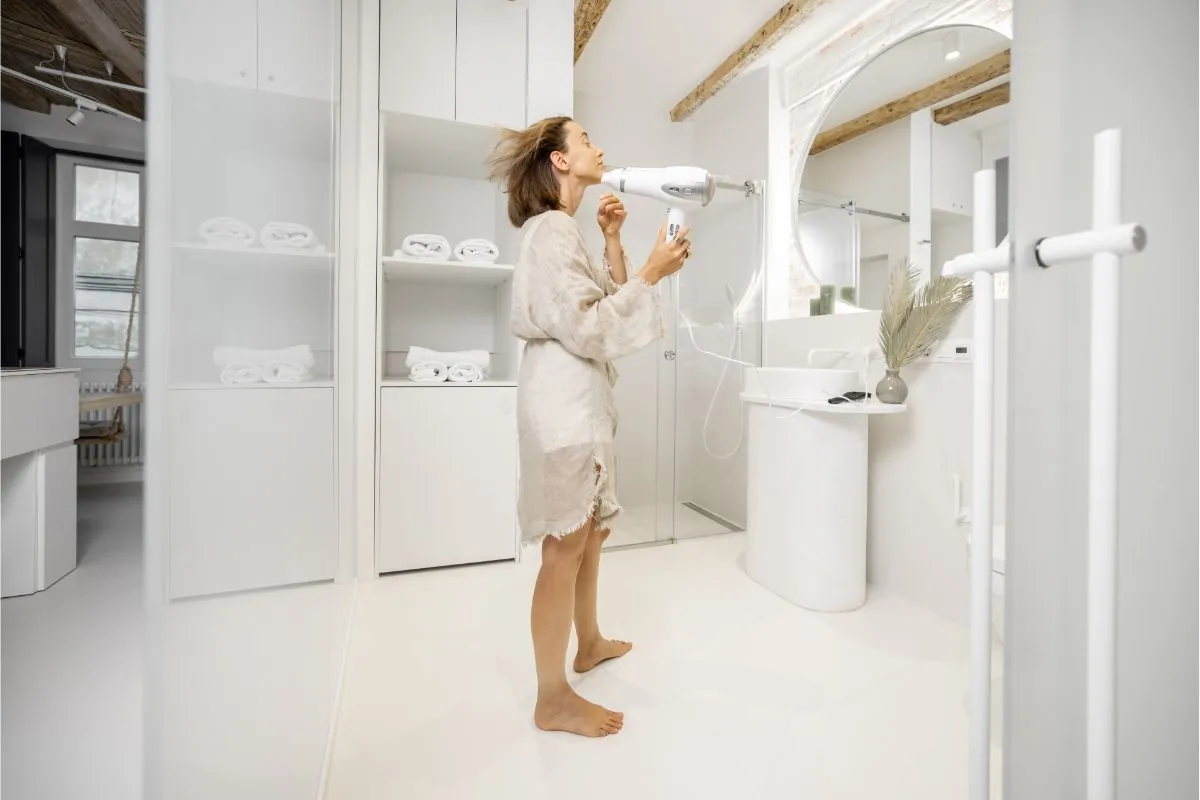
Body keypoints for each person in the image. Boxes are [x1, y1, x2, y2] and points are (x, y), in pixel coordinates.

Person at [488, 117, 691, 738]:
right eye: (584, 141)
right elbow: (592, 325)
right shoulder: (549, 229)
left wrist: (612, 239)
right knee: (563, 548)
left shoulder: (569, 232)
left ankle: (590, 641)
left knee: (592, 536)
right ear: (558, 161)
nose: (598, 148)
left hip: (583, 403)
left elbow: (609, 297)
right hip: (563, 407)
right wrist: (654, 272)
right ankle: (552, 697)